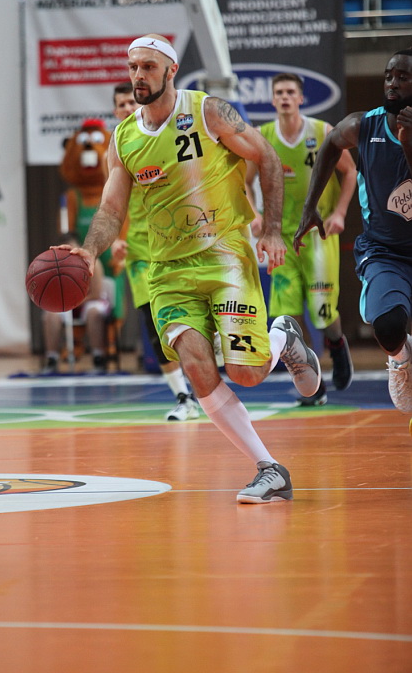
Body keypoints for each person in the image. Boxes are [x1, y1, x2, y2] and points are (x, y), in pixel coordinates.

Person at [55, 33, 323, 504]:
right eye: (133, 67)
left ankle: (282, 337)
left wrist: (272, 230)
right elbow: (112, 209)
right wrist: (91, 250)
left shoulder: (208, 111)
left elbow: (267, 157)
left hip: (225, 258)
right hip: (168, 272)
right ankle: (270, 469)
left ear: (171, 70)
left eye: (148, 67)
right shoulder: (124, 138)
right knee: (197, 367)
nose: (139, 75)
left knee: (246, 373)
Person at [294, 49, 412, 417]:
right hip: (385, 251)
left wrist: (409, 144)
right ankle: (402, 360)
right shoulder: (363, 125)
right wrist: (310, 205)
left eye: (403, 77)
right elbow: (331, 144)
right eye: (389, 75)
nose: (392, 83)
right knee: (388, 328)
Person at [246, 73, 357, 406]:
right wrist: (254, 214)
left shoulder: (322, 132)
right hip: (280, 237)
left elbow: (350, 171)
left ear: (300, 98)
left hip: (317, 234)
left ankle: (337, 345)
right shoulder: (263, 137)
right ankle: (313, 382)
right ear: (273, 99)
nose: (284, 97)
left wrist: (340, 212)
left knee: (322, 311)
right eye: (279, 92)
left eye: (290, 92)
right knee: (288, 316)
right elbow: (244, 181)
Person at [113, 81, 199, 421]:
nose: (125, 108)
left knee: (188, 320)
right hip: (139, 252)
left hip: (175, 243)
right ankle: (183, 396)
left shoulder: (162, 137)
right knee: (154, 326)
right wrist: (117, 239)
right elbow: (115, 203)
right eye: (119, 104)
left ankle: (203, 385)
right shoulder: (117, 147)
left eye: (128, 102)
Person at [40, 233, 113, 374]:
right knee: (50, 314)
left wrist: (73, 303)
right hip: (69, 303)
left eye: (72, 248)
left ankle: (98, 358)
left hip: (90, 301)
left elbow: (96, 294)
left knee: (94, 313)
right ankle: (51, 359)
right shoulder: (56, 266)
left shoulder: (93, 262)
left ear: (79, 247)